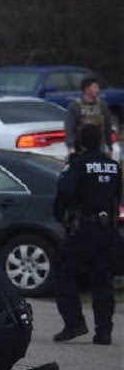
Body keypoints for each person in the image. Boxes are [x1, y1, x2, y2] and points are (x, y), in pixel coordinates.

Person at [52, 125, 121, 345]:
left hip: (84, 229)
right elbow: (117, 196)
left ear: (81, 142)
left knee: (62, 272)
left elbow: (65, 191)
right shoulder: (113, 166)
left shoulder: (79, 164)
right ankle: (104, 332)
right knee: (102, 280)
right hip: (107, 230)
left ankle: (74, 323)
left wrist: (61, 214)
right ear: (100, 141)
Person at [64, 78, 116, 159]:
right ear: (86, 89)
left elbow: (108, 126)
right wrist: (71, 147)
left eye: (98, 88)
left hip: (99, 148)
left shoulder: (102, 105)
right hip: (80, 148)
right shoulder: (75, 106)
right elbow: (69, 128)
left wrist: (109, 146)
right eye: (94, 87)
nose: (97, 90)